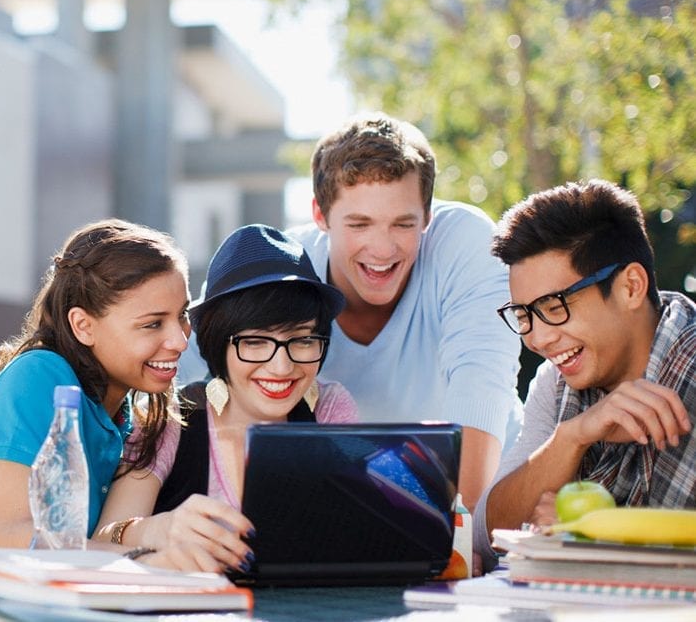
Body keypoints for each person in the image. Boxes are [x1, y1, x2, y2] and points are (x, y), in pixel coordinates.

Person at [0, 219, 222, 622]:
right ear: (83, 325)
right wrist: (151, 556)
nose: (179, 340)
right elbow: (16, 542)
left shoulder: (124, 417)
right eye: (153, 324)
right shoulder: (38, 378)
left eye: (182, 317)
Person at [282, 112, 523, 512]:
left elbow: (481, 384)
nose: (382, 249)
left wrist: (463, 537)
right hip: (349, 503)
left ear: (427, 214)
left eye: (403, 224)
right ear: (320, 215)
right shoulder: (286, 266)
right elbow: (201, 375)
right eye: (359, 224)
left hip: (488, 496)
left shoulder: (466, 242)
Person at [94, 224, 358, 567]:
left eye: (303, 340)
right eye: (254, 342)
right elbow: (104, 536)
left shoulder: (330, 409)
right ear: (218, 342)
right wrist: (156, 534)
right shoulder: (172, 417)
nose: (281, 367)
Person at [474, 180, 695, 563]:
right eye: (524, 315)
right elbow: (486, 535)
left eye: (555, 306)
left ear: (631, 287)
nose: (538, 339)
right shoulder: (556, 381)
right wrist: (570, 439)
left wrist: (603, 534)